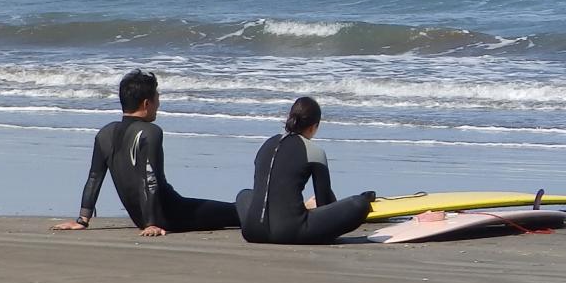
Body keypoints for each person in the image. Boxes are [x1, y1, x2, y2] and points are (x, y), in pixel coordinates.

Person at [51, 69, 242, 236]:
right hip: (172, 214)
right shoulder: (150, 132)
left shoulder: (105, 134)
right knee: (238, 211)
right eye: (157, 98)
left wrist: (82, 220)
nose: (158, 103)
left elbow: (94, 178)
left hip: (141, 218)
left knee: (235, 210)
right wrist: (152, 223)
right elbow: (150, 178)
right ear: (146, 104)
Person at [237, 96, 376, 245]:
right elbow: (325, 203)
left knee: (244, 195)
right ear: (313, 126)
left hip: (252, 231)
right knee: (359, 204)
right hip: (290, 232)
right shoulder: (314, 151)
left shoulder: (266, 145)